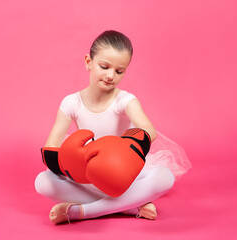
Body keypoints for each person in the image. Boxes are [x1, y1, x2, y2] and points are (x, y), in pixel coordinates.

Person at [35, 30, 192, 224]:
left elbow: (148, 130)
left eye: (119, 71)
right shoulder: (71, 102)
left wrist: (123, 148)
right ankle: (128, 207)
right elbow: (52, 146)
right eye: (104, 66)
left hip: (123, 174)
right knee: (42, 182)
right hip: (86, 176)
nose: (111, 76)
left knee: (165, 177)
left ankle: (82, 211)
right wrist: (70, 165)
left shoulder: (125, 100)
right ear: (88, 62)